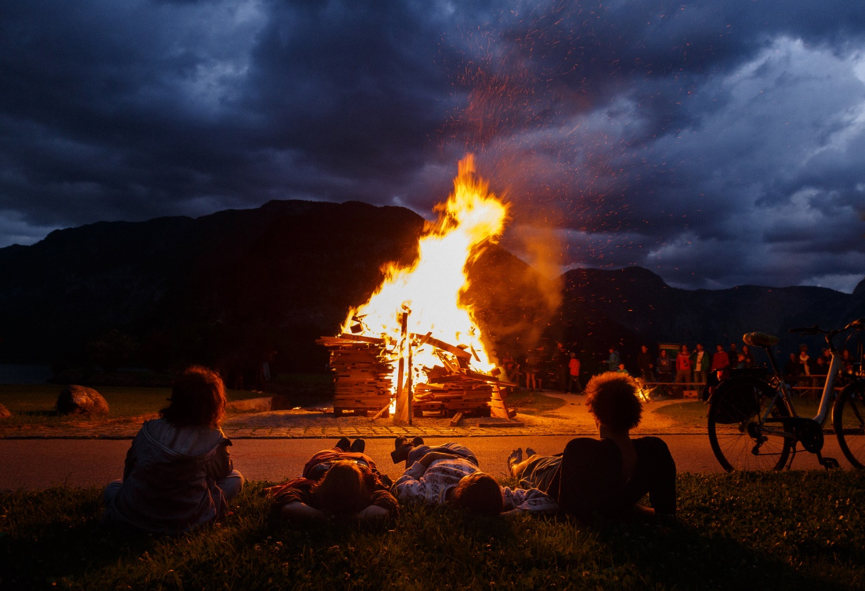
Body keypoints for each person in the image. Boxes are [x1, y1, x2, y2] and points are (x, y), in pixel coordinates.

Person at [507, 372, 676, 522]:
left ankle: (516, 465)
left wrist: (617, 508)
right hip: (567, 463)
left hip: (551, 473)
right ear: (635, 412)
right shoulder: (655, 450)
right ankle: (527, 460)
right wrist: (626, 507)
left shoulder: (581, 450)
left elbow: (569, 512)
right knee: (550, 459)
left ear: (596, 415)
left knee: (536, 464)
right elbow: (666, 513)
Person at [103, 366, 245, 534]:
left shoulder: (149, 429)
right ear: (216, 402)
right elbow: (224, 471)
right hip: (188, 520)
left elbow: (130, 469)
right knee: (236, 478)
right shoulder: (214, 438)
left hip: (134, 516)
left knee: (113, 486)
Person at [391, 439, 556, 516]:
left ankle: (408, 446)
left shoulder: (427, 493)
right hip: (464, 454)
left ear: (461, 486)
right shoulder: (498, 494)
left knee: (415, 455)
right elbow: (548, 501)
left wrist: (425, 461)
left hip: (435, 458)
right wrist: (512, 514)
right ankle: (417, 445)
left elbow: (399, 485)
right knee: (421, 451)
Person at [268, 438, 397, 522]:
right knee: (344, 452)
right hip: (354, 462)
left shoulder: (312, 489)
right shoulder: (370, 486)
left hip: (330, 461)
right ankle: (347, 449)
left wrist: (323, 517)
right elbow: (386, 505)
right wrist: (354, 519)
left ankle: (341, 447)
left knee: (333, 451)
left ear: (325, 482)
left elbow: (286, 503)